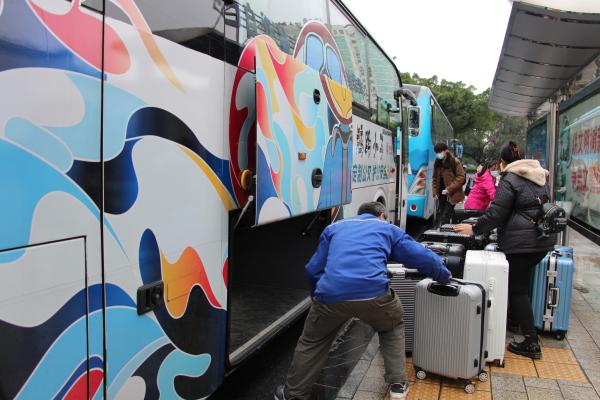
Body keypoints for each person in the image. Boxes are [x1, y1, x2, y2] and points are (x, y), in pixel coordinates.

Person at [274, 202, 452, 400]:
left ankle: (292, 395)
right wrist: (444, 275)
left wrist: (318, 296)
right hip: (374, 295)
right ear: (381, 216)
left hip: (330, 296)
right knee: (392, 325)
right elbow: (420, 256)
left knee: (313, 341)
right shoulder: (387, 228)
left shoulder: (333, 228)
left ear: (359, 214)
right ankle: (398, 384)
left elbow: (313, 269)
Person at [454, 142, 555, 359]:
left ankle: (531, 342)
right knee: (522, 284)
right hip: (541, 240)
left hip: (522, 243)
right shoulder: (539, 175)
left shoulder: (510, 178)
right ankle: (516, 322)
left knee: (518, 290)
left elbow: (496, 213)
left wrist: (474, 228)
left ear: (503, 161)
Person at [432, 142, 466, 227]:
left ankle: (443, 232)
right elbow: (434, 179)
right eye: (436, 152)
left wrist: (449, 189)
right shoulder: (437, 162)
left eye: (440, 152)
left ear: (445, 151)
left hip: (452, 195)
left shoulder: (454, 161)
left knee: (445, 218)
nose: (438, 154)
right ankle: (447, 229)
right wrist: (435, 192)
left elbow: (461, 177)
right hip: (441, 195)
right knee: (439, 215)